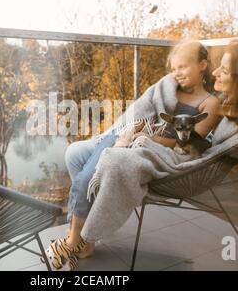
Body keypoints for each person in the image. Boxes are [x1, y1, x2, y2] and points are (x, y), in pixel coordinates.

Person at [44, 41, 221, 270]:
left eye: (184, 67)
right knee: (75, 152)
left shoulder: (210, 103)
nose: (177, 73)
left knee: (91, 172)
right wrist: (132, 132)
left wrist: (146, 135)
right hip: (126, 134)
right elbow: (141, 112)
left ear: (202, 65)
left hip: (147, 147)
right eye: (174, 68)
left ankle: (77, 238)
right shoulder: (166, 88)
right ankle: (87, 229)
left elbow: (187, 141)